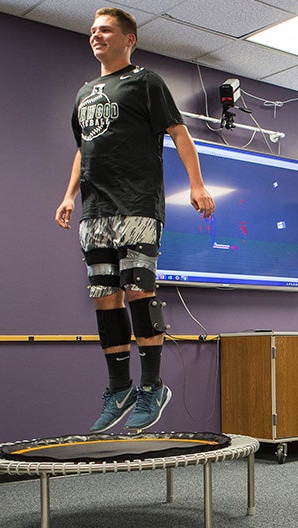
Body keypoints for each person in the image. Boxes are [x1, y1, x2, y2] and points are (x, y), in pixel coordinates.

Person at [55, 7, 214, 433]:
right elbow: (82, 149)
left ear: (129, 39)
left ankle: (152, 386)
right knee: (104, 297)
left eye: (105, 30)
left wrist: (196, 185)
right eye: (92, 30)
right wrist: (69, 196)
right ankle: (120, 386)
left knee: (138, 290)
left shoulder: (146, 82)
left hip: (137, 205)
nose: (96, 36)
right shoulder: (84, 93)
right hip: (96, 212)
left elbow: (179, 133)